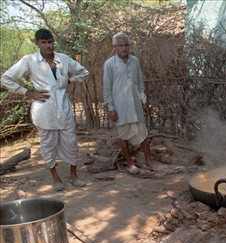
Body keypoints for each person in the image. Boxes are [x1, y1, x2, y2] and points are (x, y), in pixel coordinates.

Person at [1, 28, 89, 191]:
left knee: (71, 142)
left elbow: (83, 72)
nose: (48, 46)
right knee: (48, 144)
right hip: (44, 110)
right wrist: (28, 92)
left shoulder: (63, 59)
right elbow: (6, 78)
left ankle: (73, 176)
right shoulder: (30, 60)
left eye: (50, 42)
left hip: (63, 108)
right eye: (44, 43)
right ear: (37, 43)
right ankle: (55, 178)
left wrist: (68, 82)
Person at [102, 32, 153, 174]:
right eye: (120, 45)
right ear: (115, 47)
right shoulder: (109, 64)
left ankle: (149, 161)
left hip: (135, 104)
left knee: (143, 133)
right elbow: (107, 88)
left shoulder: (135, 61)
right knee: (123, 135)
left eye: (126, 45)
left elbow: (140, 83)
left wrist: (144, 100)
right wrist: (111, 108)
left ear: (129, 46)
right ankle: (130, 163)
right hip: (120, 106)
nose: (123, 48)